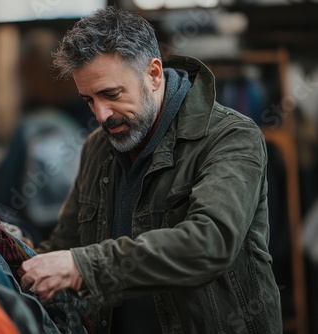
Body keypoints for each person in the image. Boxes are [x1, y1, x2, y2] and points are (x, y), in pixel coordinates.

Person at [19, 6, 282, 334]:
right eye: (88, 100)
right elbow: (67, 242)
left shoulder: (229, 137)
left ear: (154, 74)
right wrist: (19, 253)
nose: (101, 115)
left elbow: (210, 243)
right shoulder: (98, 148)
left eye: (111, 94)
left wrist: (84, 266)